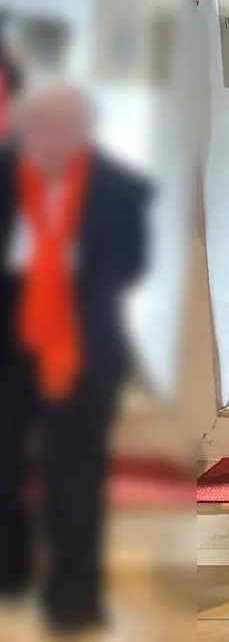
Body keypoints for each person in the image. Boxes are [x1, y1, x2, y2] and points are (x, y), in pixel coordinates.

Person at [0, 85, 150, 635]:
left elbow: (131, 266)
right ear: (22, 130)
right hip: (8, 340)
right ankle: (10, 568)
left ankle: (72, 595)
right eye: (41, 126)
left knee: (74, 476)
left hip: (81, 347)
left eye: (67, 126)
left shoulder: (121, 189)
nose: (53, 139)